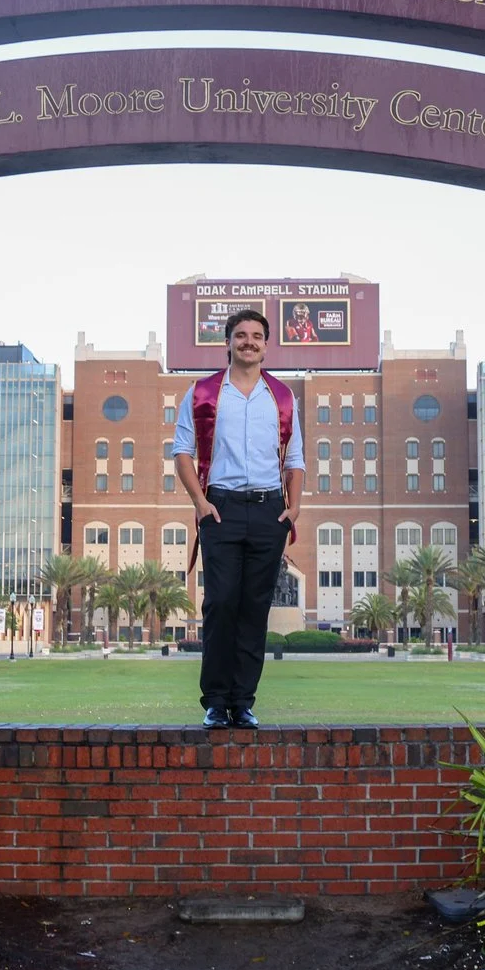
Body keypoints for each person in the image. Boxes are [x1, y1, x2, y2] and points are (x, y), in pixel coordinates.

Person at [170, 306, 304, 728]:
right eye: (241, 335)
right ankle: (215, 702)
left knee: (253, 609)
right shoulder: (203, 393)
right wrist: (200, 503)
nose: (249, 342)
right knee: (221, 604)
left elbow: (295, 459)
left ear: (266, 345)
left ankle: (243, 702)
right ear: (228, 342)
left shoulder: (282, 397)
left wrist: (293, 507)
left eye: (256, 336)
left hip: (268, 512)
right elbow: (182, 452)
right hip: (221, 509)